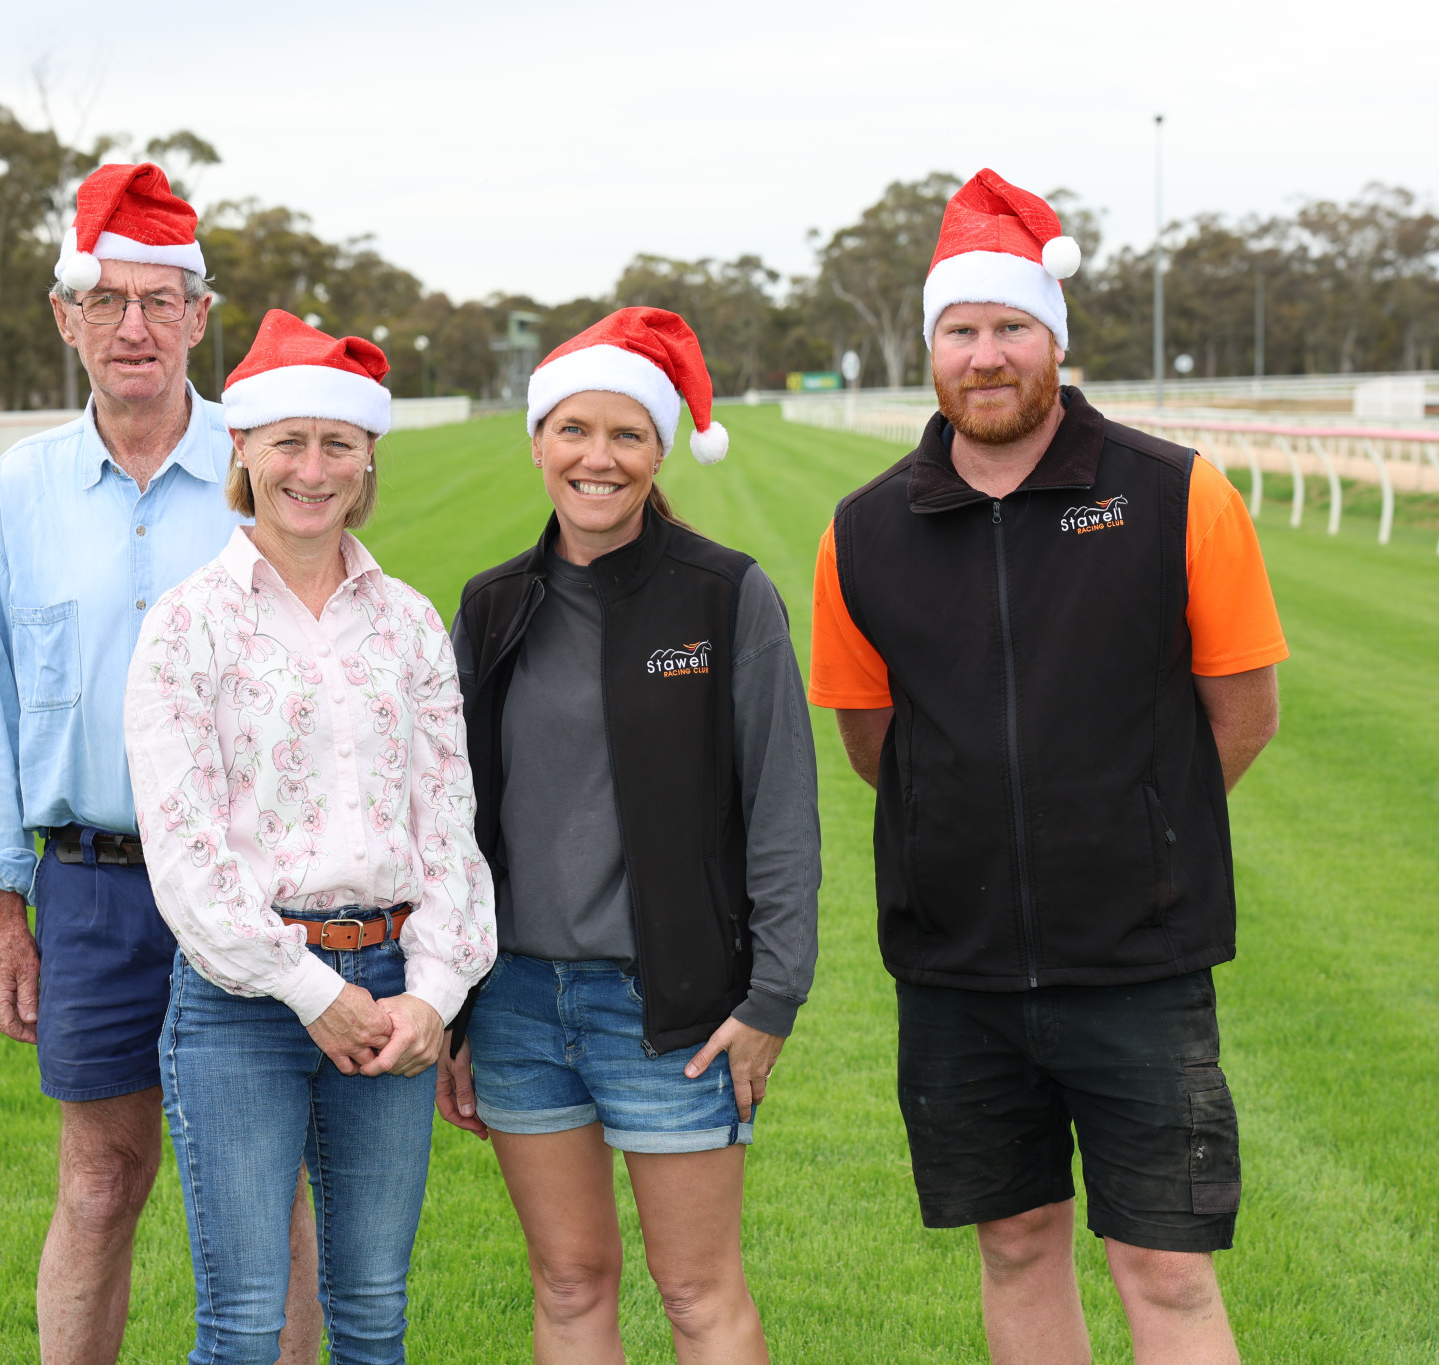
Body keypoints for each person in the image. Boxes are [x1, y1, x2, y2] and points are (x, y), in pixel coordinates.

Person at [808, 169, 1287, 1365]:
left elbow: (1241, 713)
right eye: (959, 330)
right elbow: (873, 743)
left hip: (1136, 961)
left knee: (1165, 1273)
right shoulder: (860, 531)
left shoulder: (1178, 494)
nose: (984, 354)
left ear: (1052, 342)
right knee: (1014, 1242)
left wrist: (1134, 822)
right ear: (930, 350)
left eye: (1009, 327)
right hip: (955, 971)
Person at [0, 165, 320, 1365]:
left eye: (160, 302)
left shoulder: (273, 474)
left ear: (201, 317)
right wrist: (8, 915)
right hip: (96, 888)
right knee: (100, 1183)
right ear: (64, 318)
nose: (134, 329)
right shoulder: (17, 493)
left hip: (261, 885)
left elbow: (332, 695)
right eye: (106, 303)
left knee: (272, 1193)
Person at [437, 308, 820, 1364]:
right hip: (515, 1004)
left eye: (625, 435)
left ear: (659, 450)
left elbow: (781, 806)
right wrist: (457, 1005)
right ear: (536, 443)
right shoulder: (490, 607)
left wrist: (770, 995)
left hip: (673, 1008)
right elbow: (455, 820)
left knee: (696, 1293)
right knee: (567, 1283)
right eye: (572, 431)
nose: (596, 458)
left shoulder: (725, 594)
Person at [124, 309, 497, 1365]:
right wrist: (307, 993)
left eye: (337, 444)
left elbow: (448, 827)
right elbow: (186, 848)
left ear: (366, 459)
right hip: (243, 1002)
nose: (311, 468)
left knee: (374, 1318)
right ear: (240, 449)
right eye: (286, 441)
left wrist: (432, 992)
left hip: (392, 989)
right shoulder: (188, 623)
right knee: (242, 1328)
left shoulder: (409, 622)